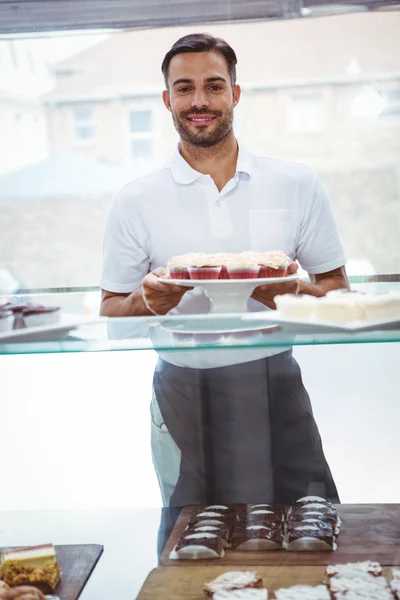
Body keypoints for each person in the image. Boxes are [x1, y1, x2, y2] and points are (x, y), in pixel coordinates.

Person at [100, 33, 349, 508]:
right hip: (182, 394)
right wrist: (149, 299)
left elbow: (338, 291)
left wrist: (291, 293)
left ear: (235, 93)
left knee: (309, 534)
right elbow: (111, 309)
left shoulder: (296, 183)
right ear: (166, 99)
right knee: (190, 547)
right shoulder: (134, 201)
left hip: (277, 386)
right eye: (184, 88)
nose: (199, 101)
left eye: (214, 86)